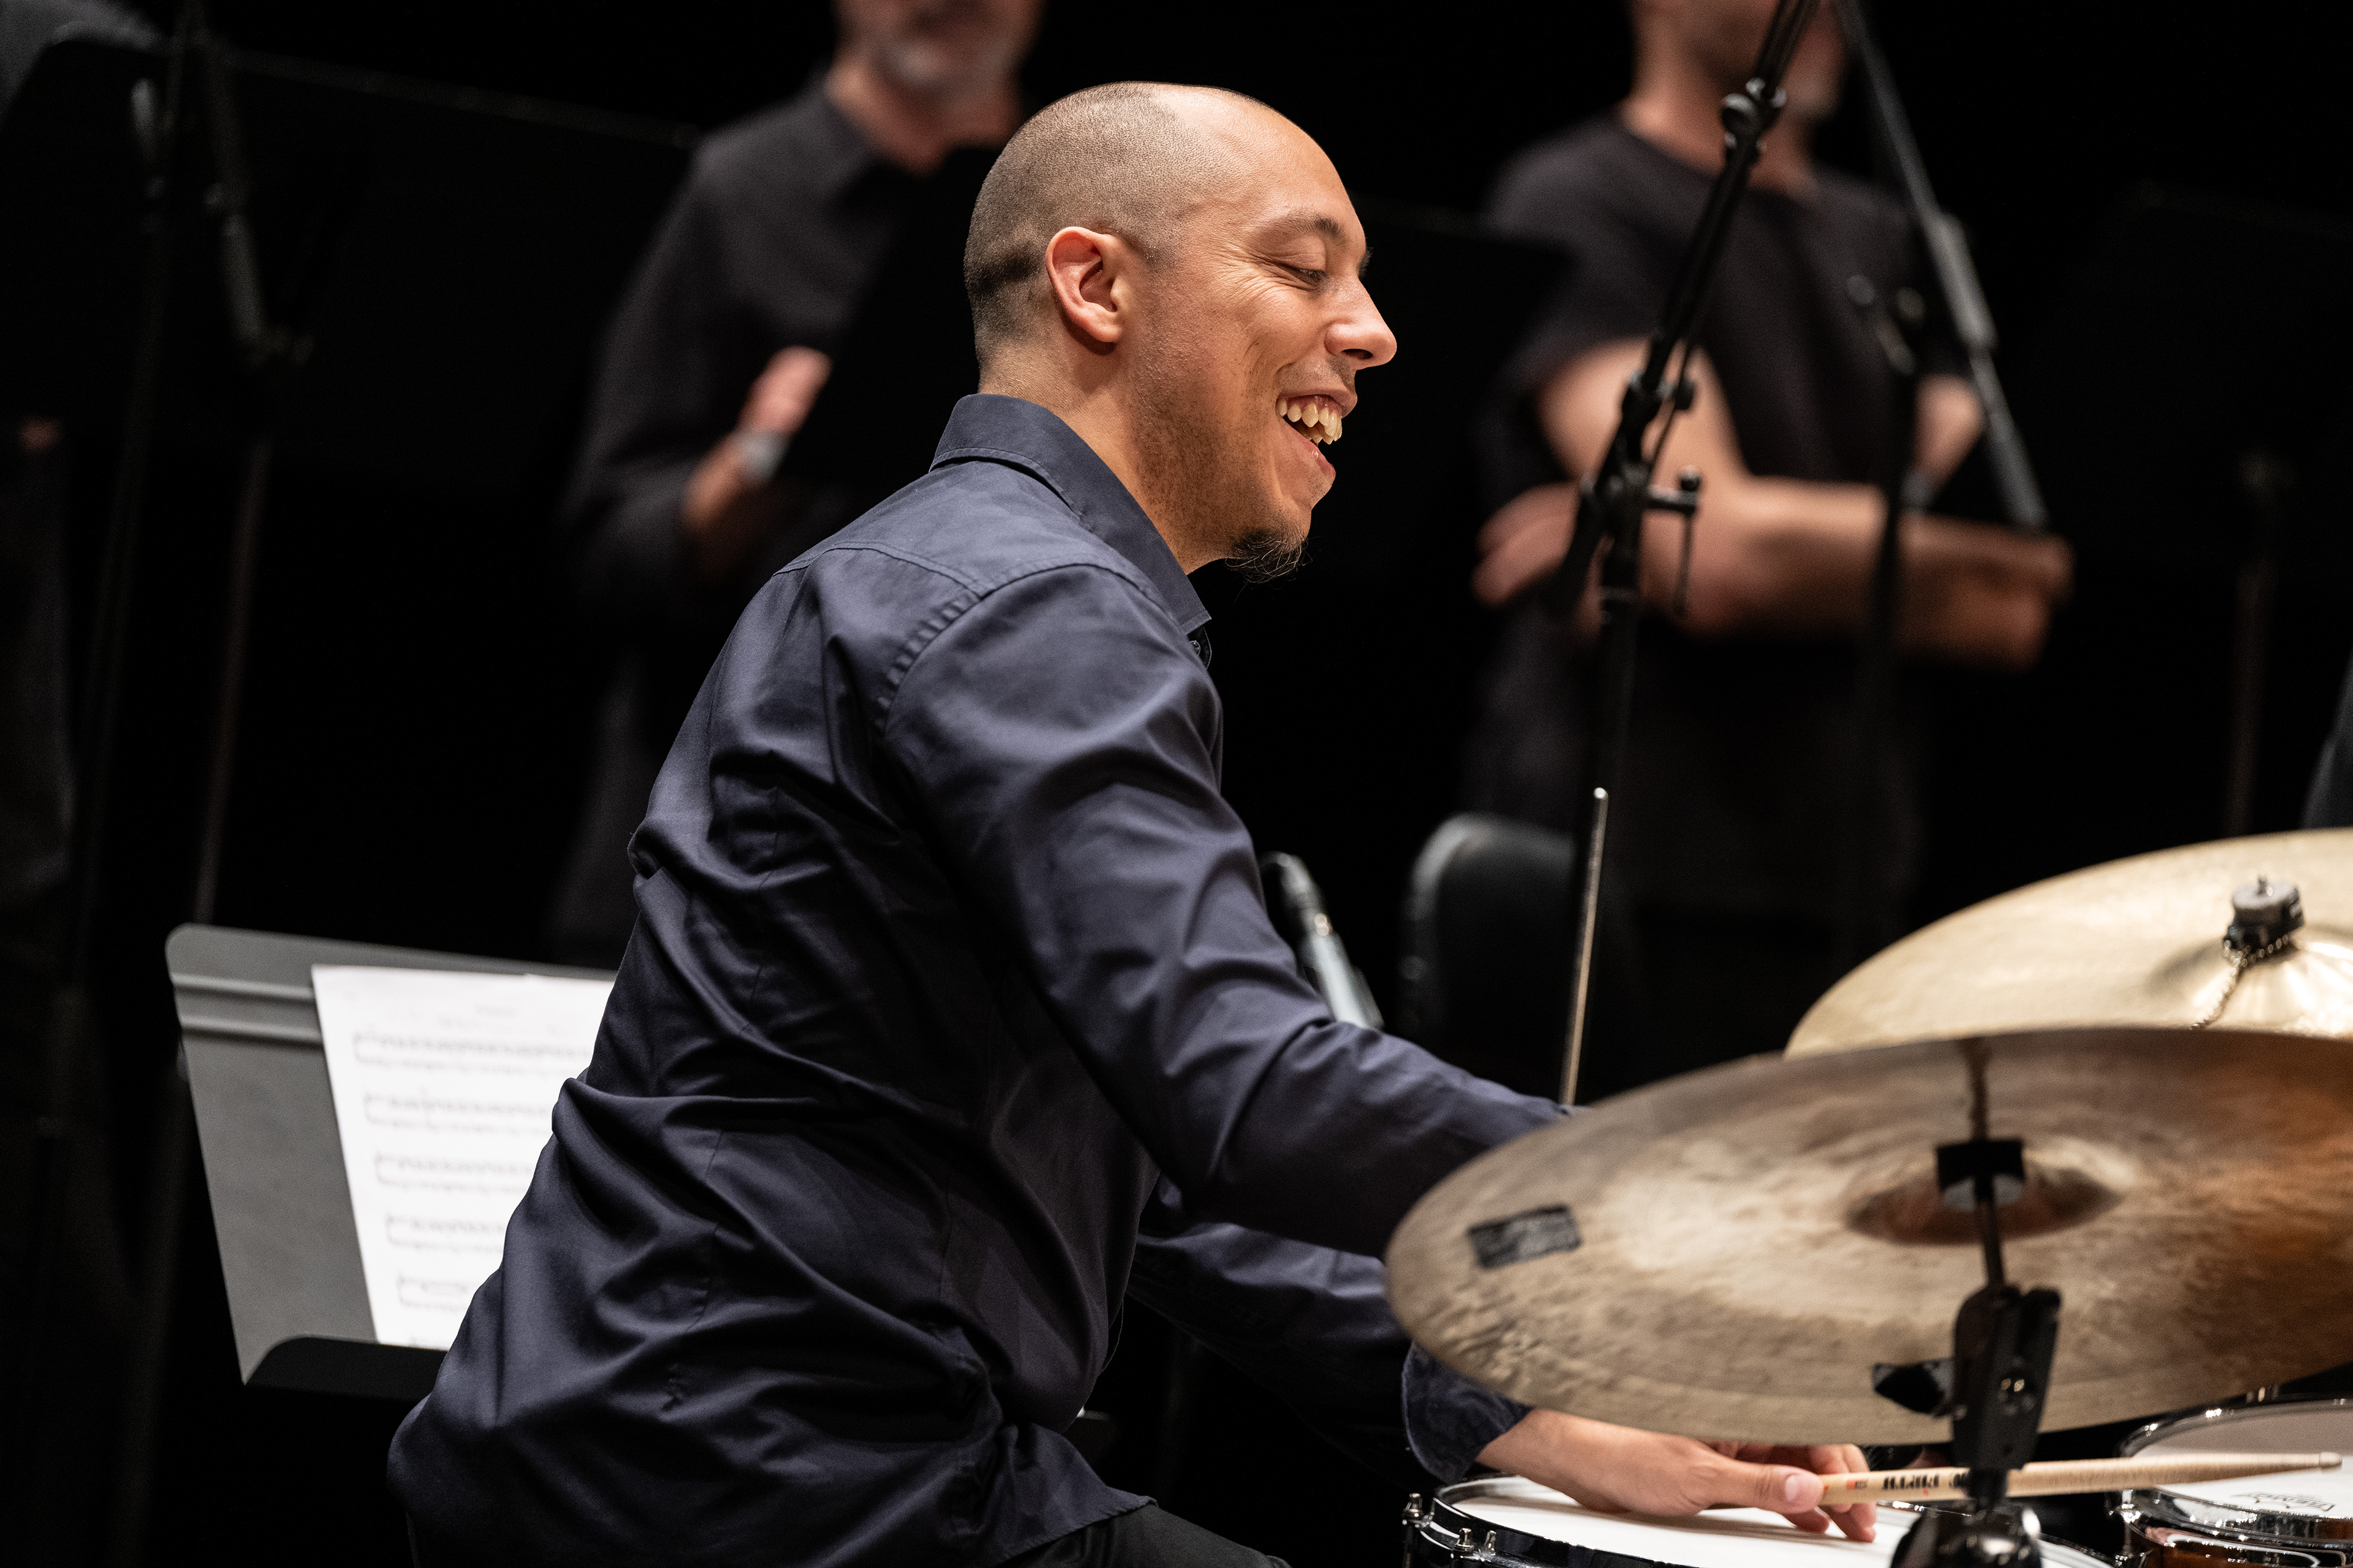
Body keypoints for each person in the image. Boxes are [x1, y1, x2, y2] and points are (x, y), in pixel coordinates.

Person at [389, 84, 1880, 1568]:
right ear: (1095, 286)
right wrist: (1697, 1184)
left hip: (720, 1455)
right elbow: (1242, 1085)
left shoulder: (964, 572)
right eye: (1302, 269)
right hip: (750, 1481)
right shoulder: (1028, 603)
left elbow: (1143, 1172)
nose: (1373, 333)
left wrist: (1504, 1399)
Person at [1459, 0, 2073, 1087]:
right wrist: (1903, 552)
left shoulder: (1899, 239)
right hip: (1638, 871)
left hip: (1854, 872)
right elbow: (1722, 563)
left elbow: (2014, 599)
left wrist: (1698, 534)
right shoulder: (1585, 197)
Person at [548, 0, 1042, 966]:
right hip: (736, 842)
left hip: (986, 846)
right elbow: (610, 548)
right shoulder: (743, 188)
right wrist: (759, 459)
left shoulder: (1100, 202)